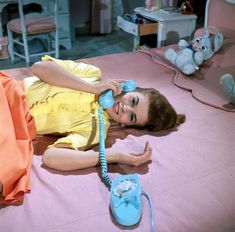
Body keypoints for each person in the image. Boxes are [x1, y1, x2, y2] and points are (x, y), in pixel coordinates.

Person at [0, 55, 185, 205]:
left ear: (125, 125)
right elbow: (39, 68)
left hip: (15, 128)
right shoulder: (92, 74)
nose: (126, 108)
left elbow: (51, 157)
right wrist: (92, 88)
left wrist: (114, 157)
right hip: (8, 92)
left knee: (10, 171)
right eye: (133, 101)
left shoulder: (97, 130)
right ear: (129, 88)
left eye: (132, 117)